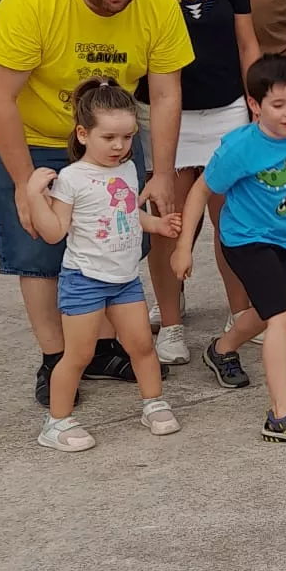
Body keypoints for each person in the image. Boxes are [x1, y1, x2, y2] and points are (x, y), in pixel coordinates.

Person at [0, 0, 193, 411]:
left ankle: (96, 348)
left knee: (118, 233)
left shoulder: (158, 3)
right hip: (32, 137)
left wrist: (161, 173)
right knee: (38, 250)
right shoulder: (32, 3)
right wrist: (21, 183)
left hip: (110, 138)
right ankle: (56, 357)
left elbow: (164, 94)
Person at [176, 54, 286, 442]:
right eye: (278, 105)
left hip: (281, 235)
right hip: (245, 239)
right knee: (285, 317)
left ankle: (221, 350)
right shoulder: (239, 149)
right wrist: (183, 248)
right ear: (254, 105)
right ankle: (282, 416)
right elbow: (200, 191)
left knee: (267, 314)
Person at [139, 0, 260, 367]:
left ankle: (239, 313)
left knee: (226, 217)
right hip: (163, 115)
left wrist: (256, 98)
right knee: (168, 222)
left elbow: (247, 41)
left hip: (227, 108)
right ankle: (170, 322)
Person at [24, 79, 182, 451]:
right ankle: (57, 423)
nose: (119, 146)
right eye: (109, 137)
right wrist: (34, 196)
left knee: (142, 346)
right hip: (84, 281)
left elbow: (127, 212)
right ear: (82, 134)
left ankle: (153, 402)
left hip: (125, 279)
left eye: (127, 137)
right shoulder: (71, 179)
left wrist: (155, 224)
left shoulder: (127, 169)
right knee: (77, 355)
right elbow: (54, 232)